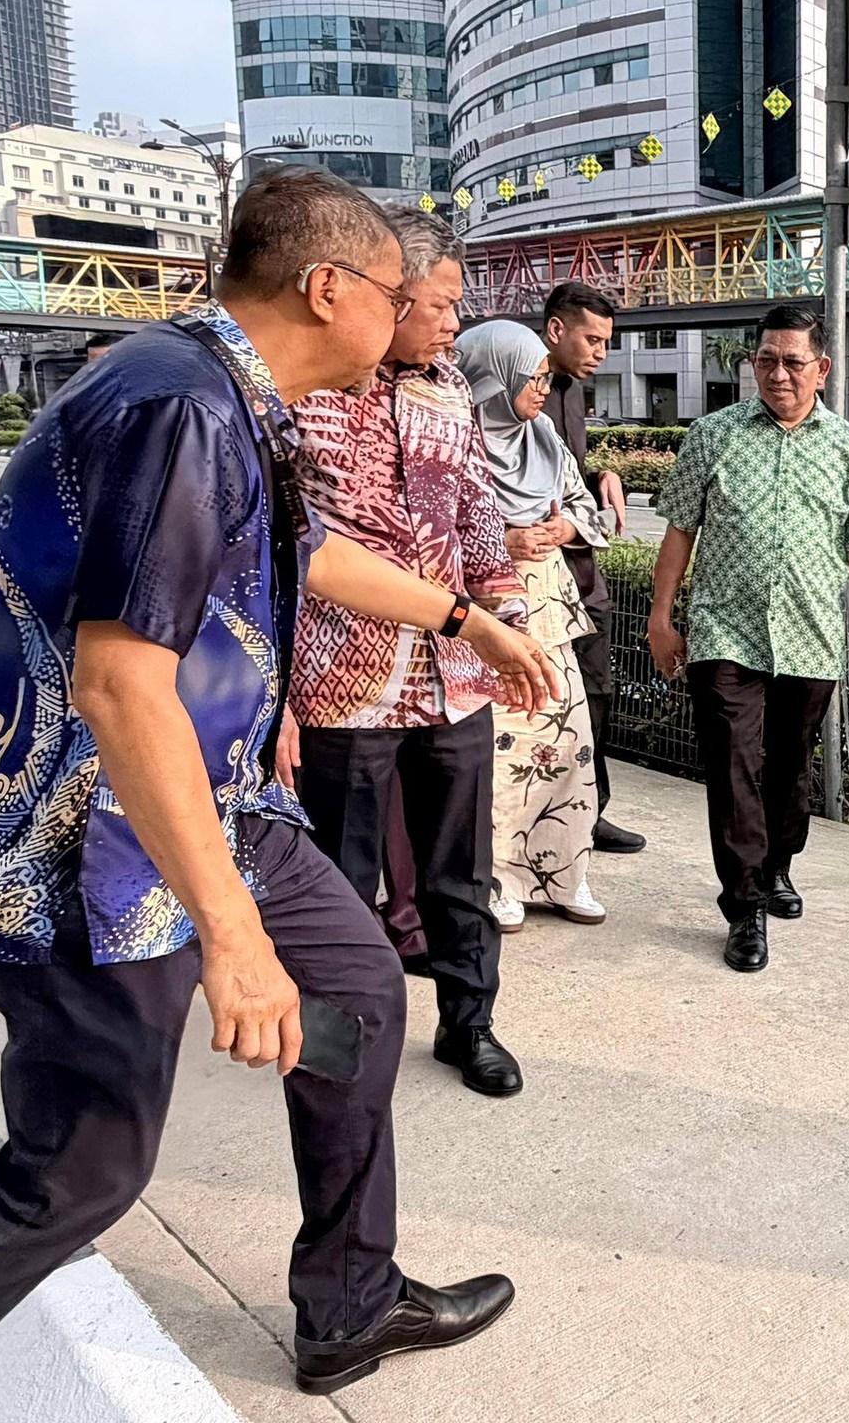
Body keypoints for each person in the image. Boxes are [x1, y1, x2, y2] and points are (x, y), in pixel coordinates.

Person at [0, 166, 560, 1400]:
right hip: (81, 852)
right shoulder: (183, 407)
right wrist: (230, 936)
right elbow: (120, 688)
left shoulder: (219, 391)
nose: (409, 324)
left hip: (214, 806)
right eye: (399, 296)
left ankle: (347, 1304)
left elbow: (299, 547)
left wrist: (460, 617)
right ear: (329, 288)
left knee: (359, 992)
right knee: (84, 1168)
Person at [278, 207, 530, 1099]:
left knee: (460, 871)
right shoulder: (303, 396)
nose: (455, 322)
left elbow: (476, 515)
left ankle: (470, 1027)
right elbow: (290, 551)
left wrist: (506, 619)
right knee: (338, 880)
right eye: (443, 303)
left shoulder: (450, 390)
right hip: (342, 683)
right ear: (388, 297)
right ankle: (334, 1045)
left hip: (455, 680)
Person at [648, 305, 849, 974]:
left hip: (812, 637)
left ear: (821, 369)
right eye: (766, 359)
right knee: (733, 767)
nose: (778, 373)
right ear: (752, 364)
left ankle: (779, 862)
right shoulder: (712, 434)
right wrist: (661, 617)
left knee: (789, 767)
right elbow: (680, 530)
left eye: (793, 361)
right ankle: (746, 905)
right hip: (723, 633)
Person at [458, 320, 612, 929]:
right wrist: (504, 537)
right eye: (534, 377)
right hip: (486, 619)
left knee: (569, 742)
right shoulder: (458, 442)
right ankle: (499, 878)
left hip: (550, 610)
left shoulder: (544, 436)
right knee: (502, 752)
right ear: (495, 377)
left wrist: (562, 530)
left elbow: (589, 514)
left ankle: (563, 871)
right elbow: (438, 528)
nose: (544, 389)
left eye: (548, 378)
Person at [536, 281, 646, 856]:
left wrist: (600, 473)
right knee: (545, 701)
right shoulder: (514, 386)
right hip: (534, 573)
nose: (602, 351)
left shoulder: (574, 389)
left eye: (608, 341)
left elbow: (566, 468)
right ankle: (543, 821)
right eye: (593, 338)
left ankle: (591, 810)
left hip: (583, 570)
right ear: (556, 330)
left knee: (596, 691)